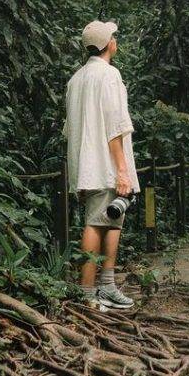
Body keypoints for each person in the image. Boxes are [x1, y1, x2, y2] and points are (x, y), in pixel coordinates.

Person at [64, 19, 139, 310]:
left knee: (111, 221)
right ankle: (86, 291)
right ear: (109, 44)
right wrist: (122, 170)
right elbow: (114, 126)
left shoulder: (76, 79)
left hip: (88, 164)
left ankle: (106, 285)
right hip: (106, 164)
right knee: (96, 223)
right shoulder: (109, 75)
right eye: (114, 37)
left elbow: (71, 129)